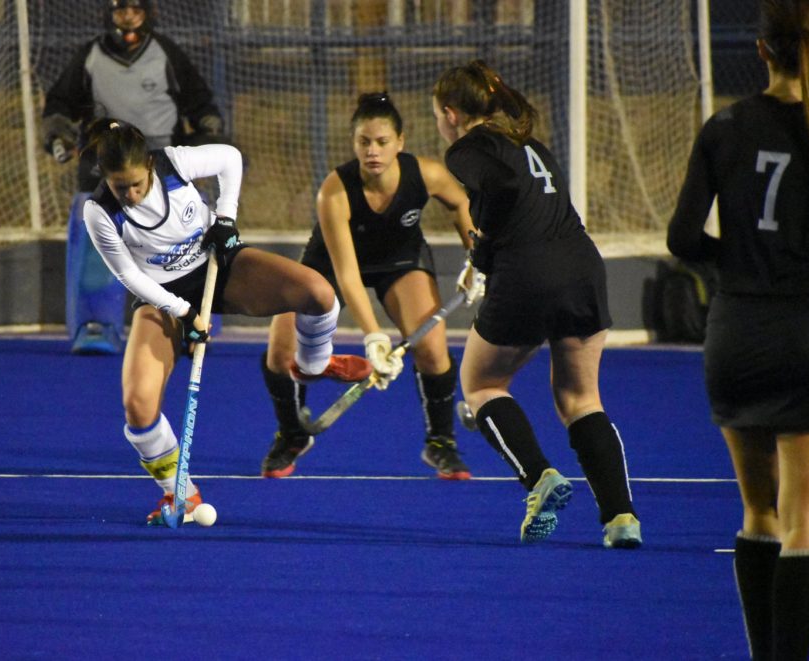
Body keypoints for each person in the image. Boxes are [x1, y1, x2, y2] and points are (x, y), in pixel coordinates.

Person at [81, 118, 371, 523]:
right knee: (138, 406)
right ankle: (181, 495)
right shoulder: (98, 212)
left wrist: (225, 219)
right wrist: (184, 312)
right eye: (119, 187)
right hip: (161, 296)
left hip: (218, 264)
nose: (129, 195)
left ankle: (313, 364)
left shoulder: (173, 163)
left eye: (136, 184)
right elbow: (129, 275)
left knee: (319, 294)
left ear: (149, 166)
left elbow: (230, 159)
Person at [432, 60, 641, 548]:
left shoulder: (466, 149)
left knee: (481, 385)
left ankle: (540, 477)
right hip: (582, 267)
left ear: (451, 114)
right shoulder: (530, 144)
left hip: (528, 272)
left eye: (438, 115)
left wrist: (482, 255)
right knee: (581, 399)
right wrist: (483, 257)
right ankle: (621, 519)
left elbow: (502, 188)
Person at [667, 1, 809, 656]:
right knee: (804, 520)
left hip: (735, 336)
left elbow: (681, 238)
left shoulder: (724, 126)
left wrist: (734, 263)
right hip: (803, 331)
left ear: (760, 51)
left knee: (759, 512)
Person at [259, 92, 482, 480]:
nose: (373, 151)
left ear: (400, 142)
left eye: (382, 141)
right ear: (354, 143)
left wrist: (477, 257)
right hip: (332, 264)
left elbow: (462, 204)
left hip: (400, 261)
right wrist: (374, 337)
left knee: (432, 348)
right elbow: (347, 274)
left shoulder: (427, 174)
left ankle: (440, 442)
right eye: (364, 142)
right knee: (281, 350)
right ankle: (292, 434)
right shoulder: (334, 191)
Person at [42, 0, 224, 355]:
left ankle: (191, 324)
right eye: (120, 10)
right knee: (97, 243)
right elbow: (59, 104)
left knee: (181, 244)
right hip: (104, 166)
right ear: (109, 14)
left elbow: (200, 102)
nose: (127, 18)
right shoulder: (90, 56)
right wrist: (57, 134)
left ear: (148, 14)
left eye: (135, 11)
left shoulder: (166, 53)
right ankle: (97, 322)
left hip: (160, 165)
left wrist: (209, 129)